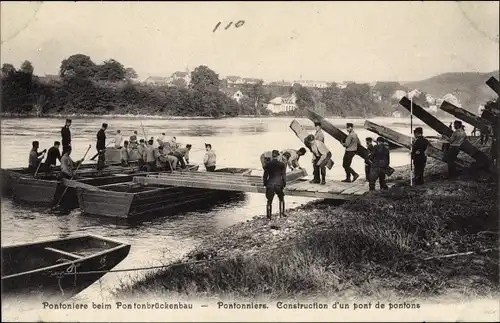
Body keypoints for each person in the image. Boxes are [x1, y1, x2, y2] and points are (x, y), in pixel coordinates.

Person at [263, 150, 287, 220]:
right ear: (278, 156)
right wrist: (284, 183)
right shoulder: (282, 164)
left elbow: (265, 176)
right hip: (279, 184)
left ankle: (268, 217)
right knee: (281, 198)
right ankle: (282, 214)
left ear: (272, 156)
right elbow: (284, 175)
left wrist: (265, 184)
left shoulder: (267, 164)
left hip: (270, 184)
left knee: (269, 201)